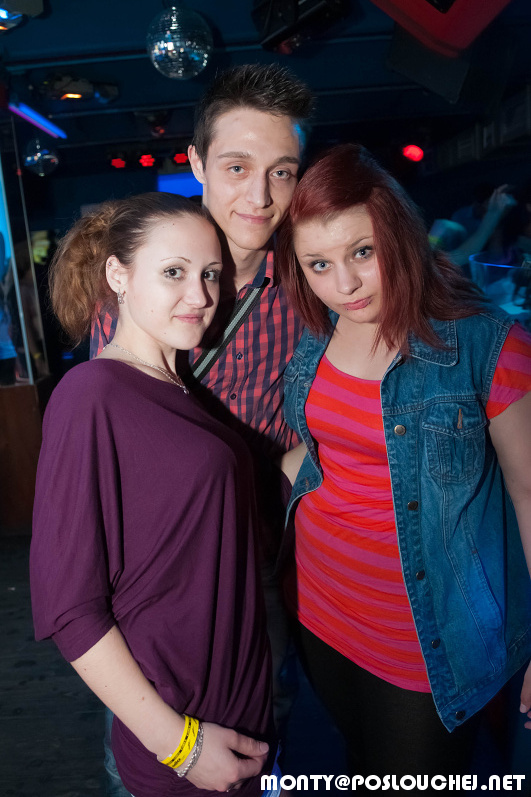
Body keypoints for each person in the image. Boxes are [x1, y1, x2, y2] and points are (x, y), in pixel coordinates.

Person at [276, 144, 531, 789]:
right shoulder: (317, 332)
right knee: (361, 766)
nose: (346, 284)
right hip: (320, 606)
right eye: (319, 264)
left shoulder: (487, 344)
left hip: (425, 632)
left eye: (363, 252)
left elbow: (529, 494)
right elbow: (325, 447)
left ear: (399, 233)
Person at [90, 64, 314, 794]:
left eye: (282, 171)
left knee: (257, 746)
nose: (260, 196)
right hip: (155, 582)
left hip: (257, 561)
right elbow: (109, 441)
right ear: (195, 163)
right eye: (237, 167)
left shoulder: (309, 284)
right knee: (153, 754)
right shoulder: (144, 276)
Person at [30, 193, 277, 797]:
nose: (200, 295)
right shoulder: (91, 394)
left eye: (210, 274)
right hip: (180, 732)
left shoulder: (181, 387)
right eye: (173, 272)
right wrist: (181, 747)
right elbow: (69, 609)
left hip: (241, 707)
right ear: (118, 275)